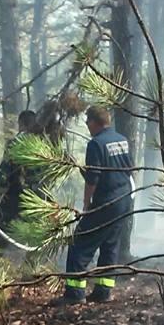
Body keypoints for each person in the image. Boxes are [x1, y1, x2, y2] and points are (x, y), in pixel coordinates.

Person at [55, 105, 133, 305]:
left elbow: (93, 178)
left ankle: (74, 294)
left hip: (105, 201)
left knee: (79, 245)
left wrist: (87, 203)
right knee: (110, 246)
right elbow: (128, 169)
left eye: (87, 122)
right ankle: (103, 291)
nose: (87, 126)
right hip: (124, 200)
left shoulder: (96, 144)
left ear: (93, 122)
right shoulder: (122, 140)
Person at [0, 110, 44, 256]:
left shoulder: (15, 144)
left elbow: (3, 178)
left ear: (21, 124)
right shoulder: (44, 147)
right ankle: (31, 276)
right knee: (33, 247)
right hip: (38, 203)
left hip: (13, 202)